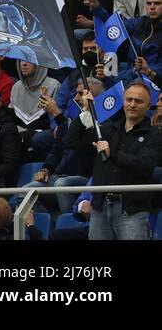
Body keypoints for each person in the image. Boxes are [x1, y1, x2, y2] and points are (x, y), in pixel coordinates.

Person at [64, 81, 162, 240]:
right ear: (123, 101)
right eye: (129, 99)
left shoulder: (155, 134)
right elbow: (70, 142)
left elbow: (145, 165)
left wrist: (113, 153)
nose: (132, 104)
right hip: (100, 207)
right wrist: (86, 111)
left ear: (148, 105)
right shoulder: (108, 130)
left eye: (138, 101)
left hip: (132, 210)